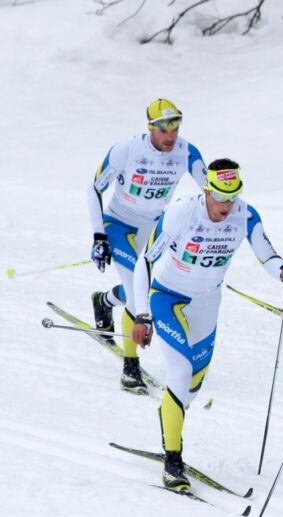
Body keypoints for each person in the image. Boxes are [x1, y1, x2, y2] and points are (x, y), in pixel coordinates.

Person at [130, 158, 283, 490]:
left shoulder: (245, 215)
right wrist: (142, 314)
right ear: (206, 189)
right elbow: (145, 262)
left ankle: (171, 414)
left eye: (233, 196)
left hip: (207, 302)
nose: (227, 205)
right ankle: (173, 460)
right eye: (221, 197)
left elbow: (267, 254)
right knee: (179, 374)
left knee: (192, 387)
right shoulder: (182, 213)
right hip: (167, 296)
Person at [87, 98, 207, 394]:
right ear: (150, 127)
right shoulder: (127, 149)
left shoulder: (187, 152)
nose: (170, 137)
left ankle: (104, 301)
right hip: (120, 225)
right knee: (138, 294)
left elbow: (209, 191)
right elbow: (94, 188)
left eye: (175, 130)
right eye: (164, 130)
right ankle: (130, 367)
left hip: (154, 229)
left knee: (142, 287)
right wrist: (98, 235)